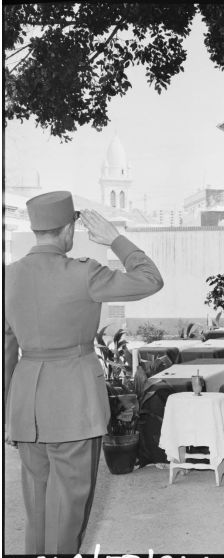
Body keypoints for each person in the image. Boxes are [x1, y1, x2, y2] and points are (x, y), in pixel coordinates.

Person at [4, 191, 164, 555]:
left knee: (39, 514)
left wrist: (7, 416)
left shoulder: (8, 277)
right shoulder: (84, 273)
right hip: (74, 406)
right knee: (67, 515)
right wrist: (115, 239)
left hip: (26, 408)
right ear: (67, 230)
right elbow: (150, 279)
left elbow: (5, 352)